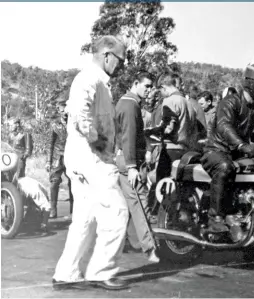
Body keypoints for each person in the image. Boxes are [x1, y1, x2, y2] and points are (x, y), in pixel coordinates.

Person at [53, 36, 129, 291]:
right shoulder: (89, 78)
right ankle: (101, 271)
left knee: (84, 219)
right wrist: (95, 138)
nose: (122, 65)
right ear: (107, 55)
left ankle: (66, 273)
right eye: (120, 59)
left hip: (86, 158)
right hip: (90, 159)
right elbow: (78, 112)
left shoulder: (99, 82)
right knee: (117, 212)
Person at [201, 59, 254, 233]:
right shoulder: (230, 102)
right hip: (216, 151)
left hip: (236, 153)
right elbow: (225, 127)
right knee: (225, 167)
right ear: (251, 82)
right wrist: (242, 145)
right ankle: (215, 218)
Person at [115, 71, 159, 262]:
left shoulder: (127, 103)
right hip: (129, 162)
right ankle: (150, 248)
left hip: (127, 160)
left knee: (129, 205)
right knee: (140, 203)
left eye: (151, 87)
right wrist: (132, 166)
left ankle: (128, 242)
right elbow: (128, 137)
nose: (149, 90)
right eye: (146, 86)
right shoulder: (130, 105)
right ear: (135, 83)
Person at [145, 72, 197, 181]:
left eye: (160, 91)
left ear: (163, 88)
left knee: (163, 188)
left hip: (170, 151)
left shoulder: (169, 101)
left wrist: (150, 132)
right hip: (186, 152)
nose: (160, 94)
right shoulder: (189, 104)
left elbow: (168, 128)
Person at [46, 97, 73, 219]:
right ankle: (53, 209)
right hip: (57, 157)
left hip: (71, 156)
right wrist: (48, 161)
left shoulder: (73, 123)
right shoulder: (54, 125)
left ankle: (74, 209)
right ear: (59, 111)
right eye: (62, 110)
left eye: (65, 110)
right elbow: (50, 144)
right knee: (54, 182)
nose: (64, 113)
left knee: (73, 182)